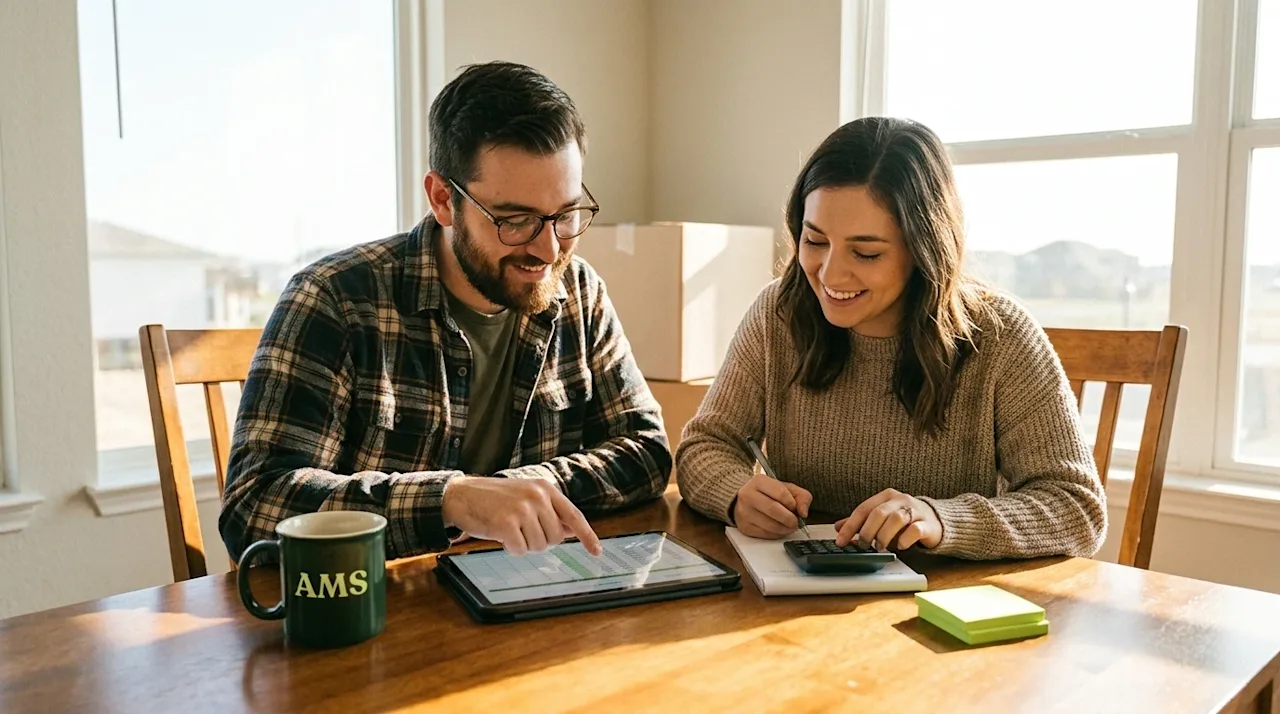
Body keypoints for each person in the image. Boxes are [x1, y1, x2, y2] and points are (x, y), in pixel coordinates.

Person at [220, 61, 670, 562]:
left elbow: (645, 452)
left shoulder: (580, 292)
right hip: (387, 612)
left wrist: (517, 491)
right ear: (442, 200)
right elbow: (255, 505)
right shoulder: (335, 300)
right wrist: (451, 500)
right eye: (515, 221)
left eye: (565, 215)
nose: (547, 249)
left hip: (530, 598)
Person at [675, 117, 1106, 560]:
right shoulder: (778, 314)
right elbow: (703, 448)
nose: (830, 274)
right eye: (815, 240)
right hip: (793, 595)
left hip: (938, 606)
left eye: (866, 252)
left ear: (925, 248)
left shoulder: (1001, 337)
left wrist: (941, 520)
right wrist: (737, 493)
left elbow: (1076, 509)